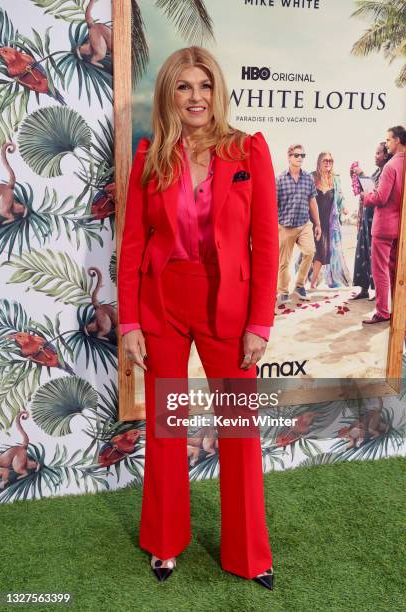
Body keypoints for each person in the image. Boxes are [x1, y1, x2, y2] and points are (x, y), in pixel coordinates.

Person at [118, 46, 279, 589]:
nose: (195, 97)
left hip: (229, 307)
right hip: (163, 302)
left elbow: (265, 244)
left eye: (204, 86)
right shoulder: (151, 157)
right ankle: (164, 544)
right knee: (169, 427)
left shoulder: (248, 150)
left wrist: (260, 323)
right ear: (170, 94)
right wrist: (130, 322)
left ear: (217, 92)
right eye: (184, 87)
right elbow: (134, 244)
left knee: (239, 432)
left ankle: (249, 555)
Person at [361, 125, 406, 324]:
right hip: (401, 227)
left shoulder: (391, 166)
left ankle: (382, 312)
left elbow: (380, 197)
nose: (386, 144)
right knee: (397, 271)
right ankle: (398, 309)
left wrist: (366, 196)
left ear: (397, 140)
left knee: (380, 270)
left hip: (384, 227)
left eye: (388, 140)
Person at [276, 144, 321, 302]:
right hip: (285, 226)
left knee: (309, 252)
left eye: (302, 155)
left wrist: (318, 224)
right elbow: (274, 206)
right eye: (296, 155)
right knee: (284, 262)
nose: (300, 158)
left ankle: (299, 286)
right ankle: (282, 291)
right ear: (289, 157)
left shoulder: (308, 177)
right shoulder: (280, 179)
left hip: (304, 225)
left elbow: (312, 201)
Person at [350, 143, 392, 300]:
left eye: (378, 153)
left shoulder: (387, 173)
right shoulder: (376, 172)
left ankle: (377, 292)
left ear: (386, 155)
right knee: (363, 253)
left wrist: (362, 174)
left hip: (377, 219)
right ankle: (364, 289)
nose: (375, 156)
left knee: (375, 255)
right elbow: (369, 190)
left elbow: (376, 194)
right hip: (366, 220)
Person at [308, 152, 351, 289]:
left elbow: (340, 198)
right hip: (314, 222)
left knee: (324, 253)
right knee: (317, 252)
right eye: (325, 160)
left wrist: (343, 207)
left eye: (330, 161)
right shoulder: (312, 177)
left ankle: (309, 282)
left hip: (330, 224)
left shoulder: (336, 179)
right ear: (319, 162)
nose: (328, 163)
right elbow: (306, 197)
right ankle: (311, 283)